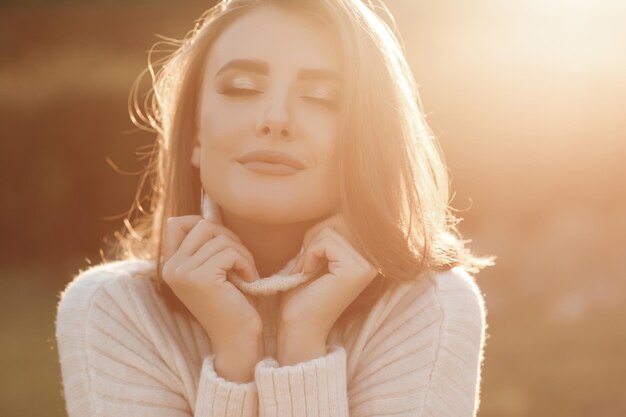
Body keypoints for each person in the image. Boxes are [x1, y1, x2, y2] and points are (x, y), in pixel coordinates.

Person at [55, 0, 494, 416]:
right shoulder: (113, 310)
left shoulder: (429, 306)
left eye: (322, 96)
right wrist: (234, 352)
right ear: (195, 136)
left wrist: (302, 342)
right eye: (241, 88)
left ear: (369, 141)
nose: (275, 118)